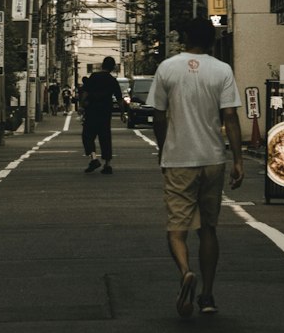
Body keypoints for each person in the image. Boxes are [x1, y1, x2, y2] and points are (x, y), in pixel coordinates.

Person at [147, 16, 243, 317]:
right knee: (209, 229)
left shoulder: (167, 68)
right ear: (212, 40)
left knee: (177, 228)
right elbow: (230, 116)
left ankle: (186, 272)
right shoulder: (222, 70)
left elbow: (159, 117)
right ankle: (208, 295)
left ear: (185, 38)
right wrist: (238, 159)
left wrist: (164, 150)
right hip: (213, 158)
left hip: (179, 159)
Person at [81, 56, 124, 173]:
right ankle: (107, 164)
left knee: (88, 135)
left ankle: (94, 158)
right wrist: (122, 113)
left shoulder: (94, 76)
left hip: (92, 110)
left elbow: (85, 92)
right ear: (113, 67)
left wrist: (82, 104)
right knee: (105, 136)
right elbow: (119, 98)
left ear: (102, 65)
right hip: (105, 111)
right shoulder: (112, 80)